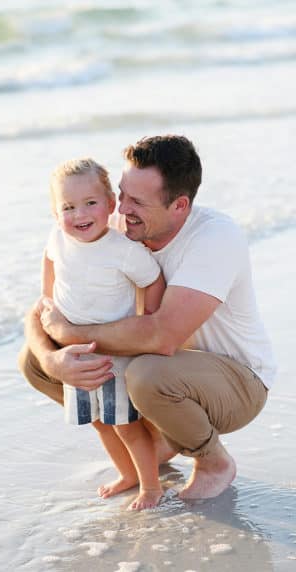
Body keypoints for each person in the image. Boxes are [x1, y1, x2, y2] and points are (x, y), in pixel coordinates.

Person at [19, 135, 275, 499]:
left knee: (146, 374)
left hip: (237, 381)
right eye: (122, 194)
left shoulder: (215, 238)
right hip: (167, 370)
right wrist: (51, 357)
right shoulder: (116, 230)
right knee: (33, 360)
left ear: (180, 206)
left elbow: (161, 336)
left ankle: (213, 460)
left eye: (137, 201)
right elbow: (44, 308)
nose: (122, 209)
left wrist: (71, 332)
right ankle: (160, 438)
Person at [44, 158, 166, 509]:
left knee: (125, 424)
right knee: (98, 422)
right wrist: (47, 296)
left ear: (111, 204)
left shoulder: (123, 250)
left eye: (90, 203)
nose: (79, 213)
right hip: (77, 354)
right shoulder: (57, 237)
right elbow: (49, 259)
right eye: (67, 207)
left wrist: (149, 319)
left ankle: (151, 487)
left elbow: (153, 279)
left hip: (115, 354)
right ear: (55, 213)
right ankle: (127, 474)